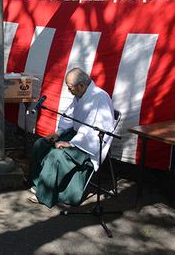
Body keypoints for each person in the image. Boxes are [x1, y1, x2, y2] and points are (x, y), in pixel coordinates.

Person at [28, 67, 115, 208]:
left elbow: (95, 131)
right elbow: (68, 118)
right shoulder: (79, 95)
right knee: (41, 144)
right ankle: (37, 183)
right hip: (76, 134)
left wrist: (71, 144)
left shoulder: (100, 98)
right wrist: (58, 133)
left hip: (88, 143)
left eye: (70, 88)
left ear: (81, 85)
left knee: (56, 156)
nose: (69, 91)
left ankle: (44, 194)